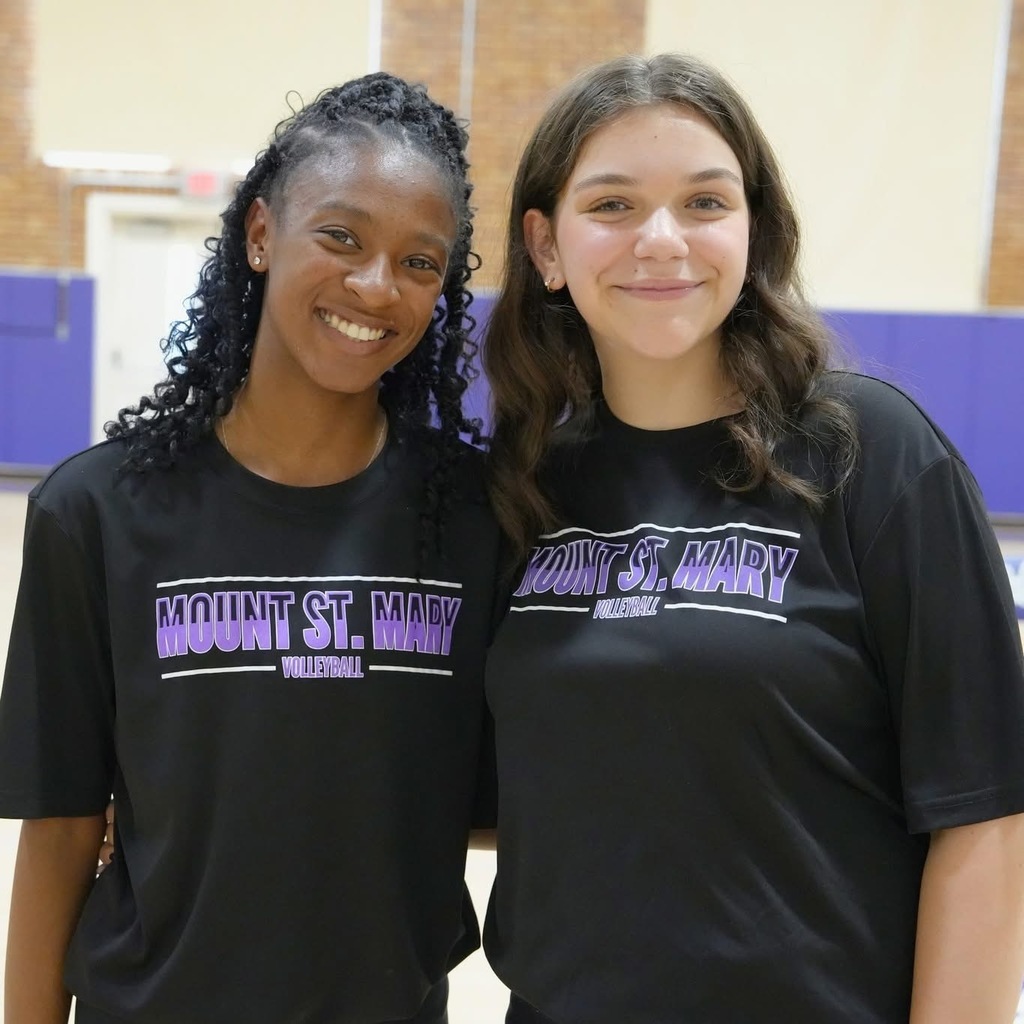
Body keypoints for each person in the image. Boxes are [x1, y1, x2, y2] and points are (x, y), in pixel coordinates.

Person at [481, 53, 1024, 1023]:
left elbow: (984, 807)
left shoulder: (871, 455)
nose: (660, 240)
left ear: (752, 230)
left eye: (703, 202)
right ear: (545, 245)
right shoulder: (521, 487)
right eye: (611, 204)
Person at [0, 73, 499, 1024]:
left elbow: (490, 790)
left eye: (421, 263)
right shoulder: (97, 513)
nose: (375, 286)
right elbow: (61, 828)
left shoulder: (475, 524)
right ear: (262, 234)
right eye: (342, 237)